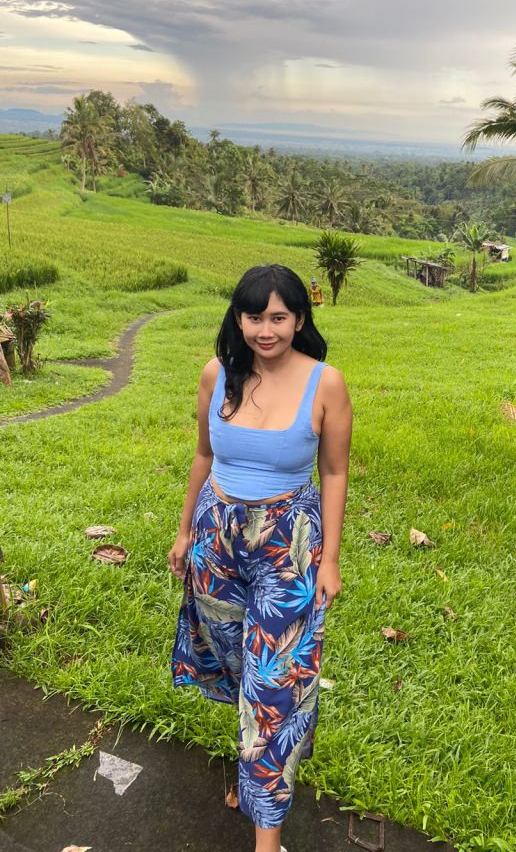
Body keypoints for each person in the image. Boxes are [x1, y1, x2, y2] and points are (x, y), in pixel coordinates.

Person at [168, 263, 352, 852]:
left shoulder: (326, 383)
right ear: (238, 318)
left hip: (288, 543)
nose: (265, 329)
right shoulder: (216, 374)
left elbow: (334, 470)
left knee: (275, 680)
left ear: (300, 319)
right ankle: (253, 776)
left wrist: (329, 558)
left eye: (278, 317)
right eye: (254, 316)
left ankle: (265, 837)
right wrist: (182, 533)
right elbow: (202, 457)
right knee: (235, 665)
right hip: (214, 540)